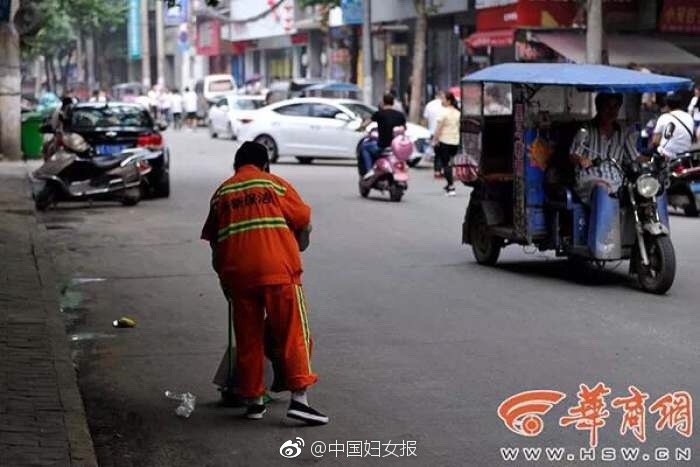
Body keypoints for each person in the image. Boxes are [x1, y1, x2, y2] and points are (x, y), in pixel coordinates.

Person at [201, 142, 328, 425]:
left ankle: (254, 401)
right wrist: (299, 245)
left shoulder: (222, 192)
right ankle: (299, 401)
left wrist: (226, 278)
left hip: (238, 276)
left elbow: (214, 241)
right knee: (293, 332)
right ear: (265, 164)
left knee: (248, 338)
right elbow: (304, 220)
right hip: (278, 272)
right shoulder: (276, 185)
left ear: (236, 165)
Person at [570, 93, 638, 204]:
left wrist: (656, 158)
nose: (611, 111)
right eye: (607, 106)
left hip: (616, 182)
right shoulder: (586, 129)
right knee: (601, 188)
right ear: (598, 107)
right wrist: (581, 160)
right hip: (590, 180)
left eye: (615, 107)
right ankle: (604, 221)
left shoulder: (623, 133)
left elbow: (635, 157)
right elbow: (573, 155)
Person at [360, 94, 406, 178]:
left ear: (383, 102)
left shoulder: (379, 114)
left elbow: (365, 124)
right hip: (396, 148)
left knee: (365, 147)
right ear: (393, 103)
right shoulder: (400, 115)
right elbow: (404, 129)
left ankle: (369, 170)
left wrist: (361, 127)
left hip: (382, 146)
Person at [432, 91, 461, 196]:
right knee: (450, 163)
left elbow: (439, 128)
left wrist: (434, 140)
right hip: (455, 141)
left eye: (443, 98)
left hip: (445, 141)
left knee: (446, 164)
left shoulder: (443, 112)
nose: (441, 101)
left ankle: (451, 186)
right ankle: (449, 185)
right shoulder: (458, 113)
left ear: (448, 101)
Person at [653, 92, 694, 159]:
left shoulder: (664, 117)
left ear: (667, 105)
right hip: (685, 153)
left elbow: (655, 141)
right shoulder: (689, 117)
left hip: (667, 155)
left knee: (647, 152)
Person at [423, 90, 445, 178]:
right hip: (443, 132)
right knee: (444, 152)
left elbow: (425, 118)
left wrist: (426, 129)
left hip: (432, 131)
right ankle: (442, 169)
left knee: (437, 152)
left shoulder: (429, 105)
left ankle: (437, 170)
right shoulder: (444, 105)